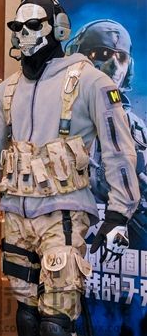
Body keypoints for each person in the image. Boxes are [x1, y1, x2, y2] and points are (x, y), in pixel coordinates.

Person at [0, 0, 139, 336]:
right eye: (17, 27)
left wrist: (119, 214)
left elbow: (118, 150)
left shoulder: (91, 81)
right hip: (16, 215)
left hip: (64, 215)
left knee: (55, 322)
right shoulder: (8, 90)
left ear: (58, 29)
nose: (23, 34)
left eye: (33, 25)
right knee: (27, 316)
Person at [65, 19, 147, 244]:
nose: (114, 65)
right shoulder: (58, 115)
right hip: (66, 230)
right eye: (101, 53)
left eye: (121, 57)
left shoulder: (137, 128)